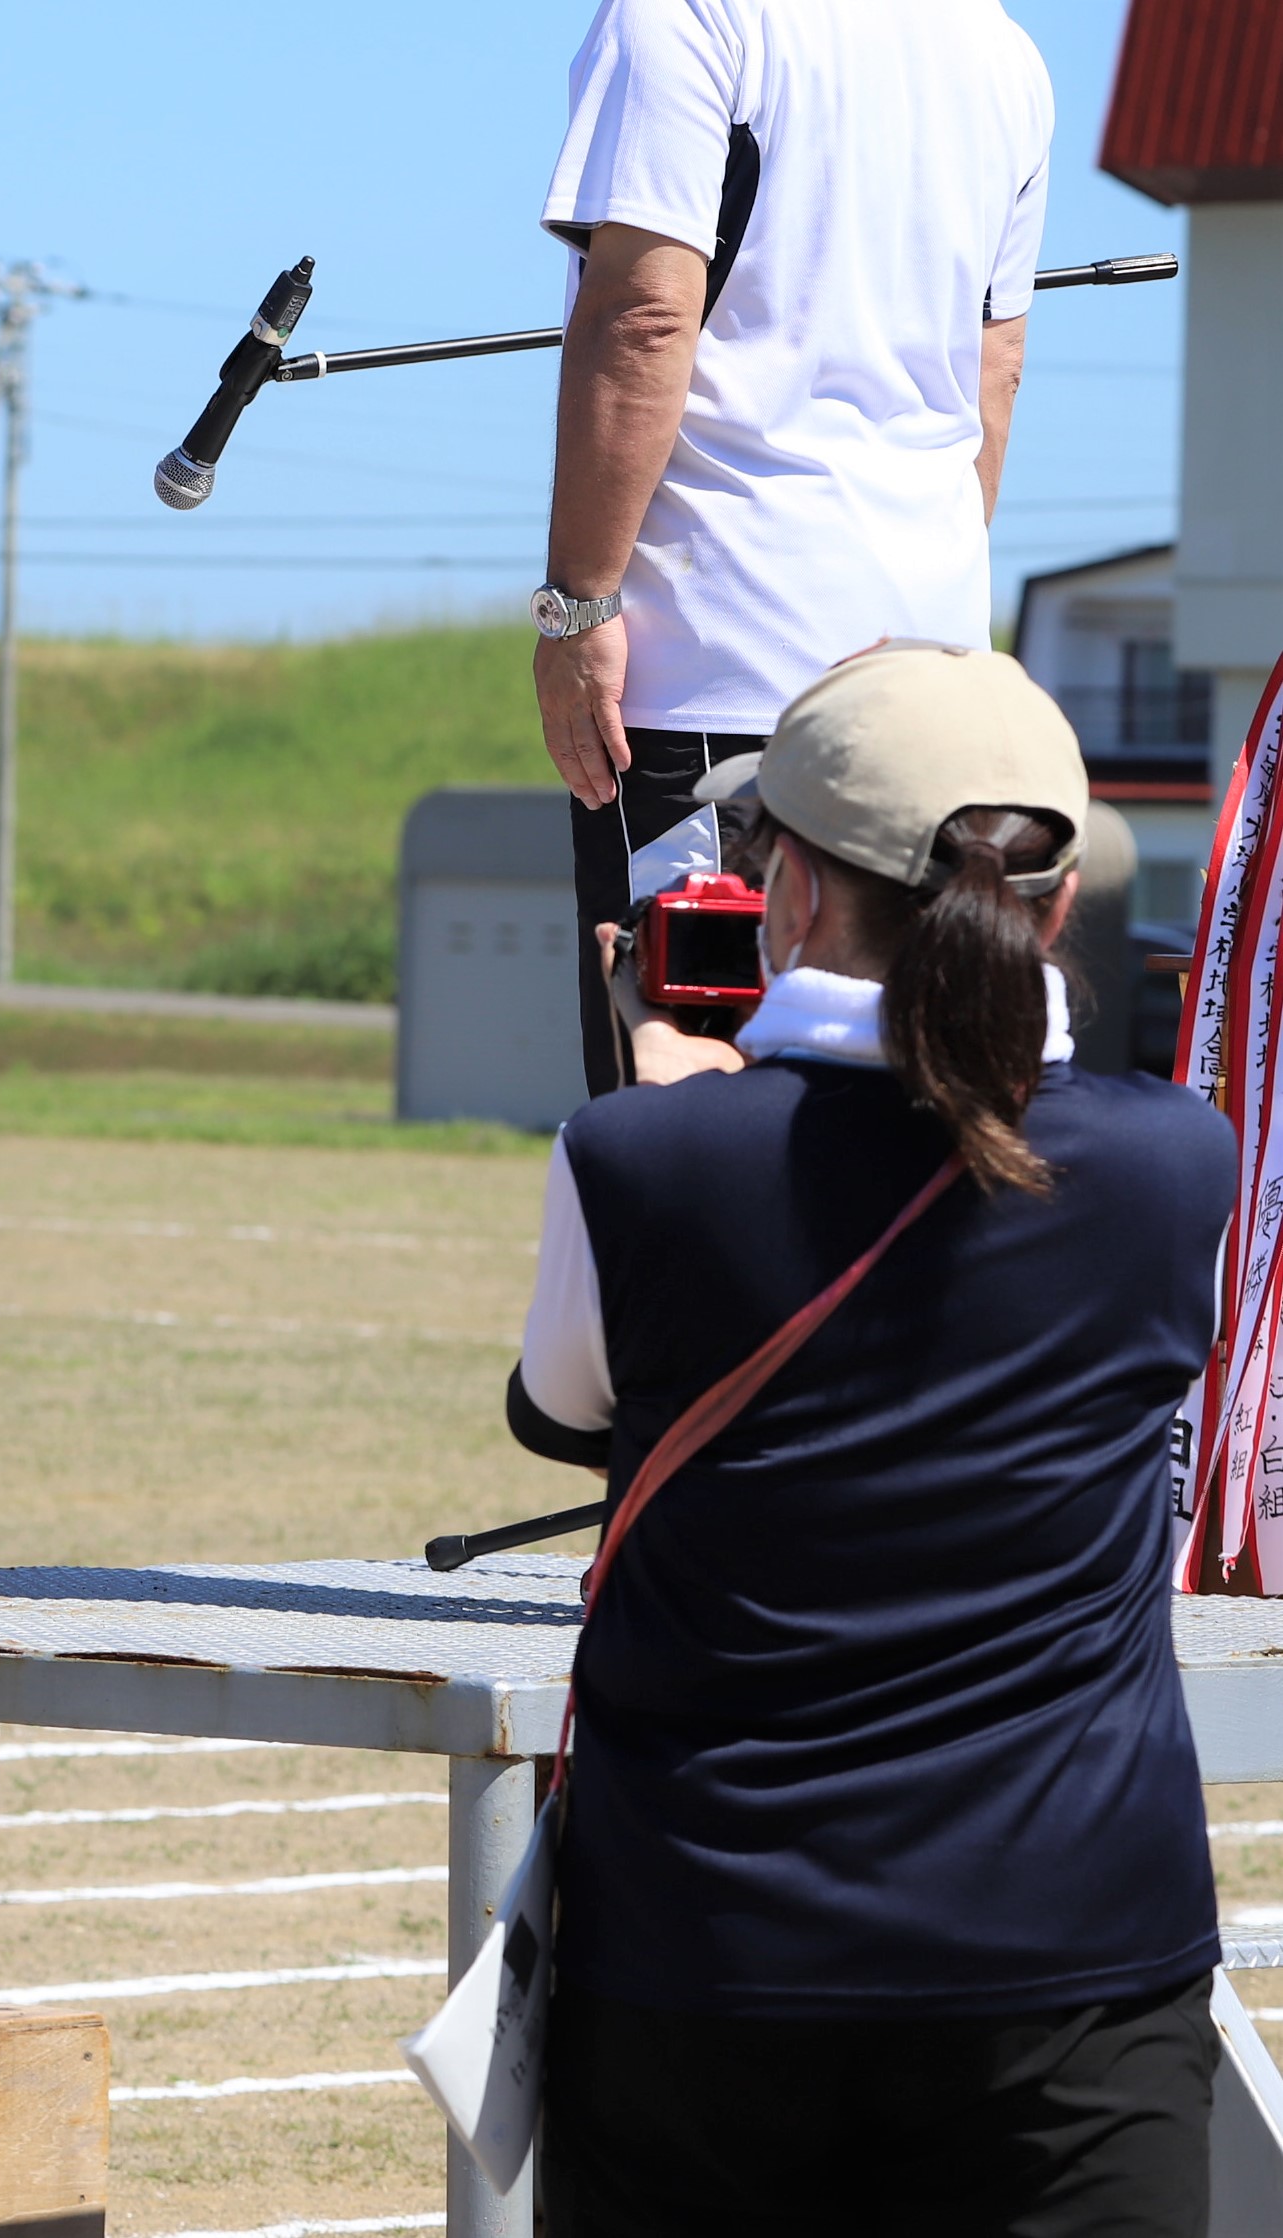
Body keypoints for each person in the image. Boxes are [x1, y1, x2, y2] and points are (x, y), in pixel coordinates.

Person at [512, 643, 1231, 2232]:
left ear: (781, 893)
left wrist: (679, 1094)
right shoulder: (1180, 1162)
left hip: (706, 1947)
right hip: (1075, 1952)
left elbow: (561, 1411)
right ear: (1048, 903)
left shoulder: (636, 1157)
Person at [531, 0, 1054, 1093]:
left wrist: (577, 605)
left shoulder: (688, 14)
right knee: (905, 1110)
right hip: (929, 679)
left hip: (715, 666)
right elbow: (992, 368)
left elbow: (643, 315)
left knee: (690, 1115)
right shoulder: (1003, 48)